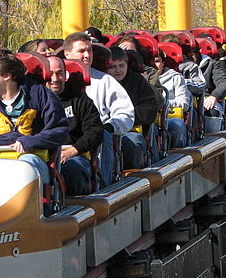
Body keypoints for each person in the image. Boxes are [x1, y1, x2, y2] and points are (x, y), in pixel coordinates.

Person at [0, 48, 69, 187]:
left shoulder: (40, 95)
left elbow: (60, 130)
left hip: (32, 162)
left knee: (25, 167)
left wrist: (31, 141)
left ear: (6, 75)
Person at [63, 32, 134, 186]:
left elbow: (125, 113)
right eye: (81, 51)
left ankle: (104, 185)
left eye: (90, 51)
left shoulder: (105, 80)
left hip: (96, 136)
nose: (87, 55)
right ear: (66, 53)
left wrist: (109, 126)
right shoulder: (55, 82)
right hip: (64, 139)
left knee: (102, 134)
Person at [46, 56, 103, 195]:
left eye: (59, 73)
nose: (55, 79)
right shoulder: (33, 100)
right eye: (50, 73)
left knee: (73, 170)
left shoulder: (80, 100)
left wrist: (72, 151)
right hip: (41, 156)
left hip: (74, 156)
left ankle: (75, 211)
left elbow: (95, 131)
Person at [107, 47, 159, 169]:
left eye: (121, 65)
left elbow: (149, 109)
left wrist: (125, 118)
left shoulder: (137, 81)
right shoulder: (100, 83)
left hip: (131, 130)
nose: (118, 70)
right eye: (113, 67)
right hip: (105, 131)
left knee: (132, 143)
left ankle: (132, 175)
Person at [154, 49, 191, 149]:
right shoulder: (142, 79)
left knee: (176, 125)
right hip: (151, 118)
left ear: (163, 63)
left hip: (170, 115)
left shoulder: (176, 78)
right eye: (151, 62)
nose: (154, 65)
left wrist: (164, 103)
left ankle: (178, 154)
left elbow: (184, 103)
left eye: (157, 61)